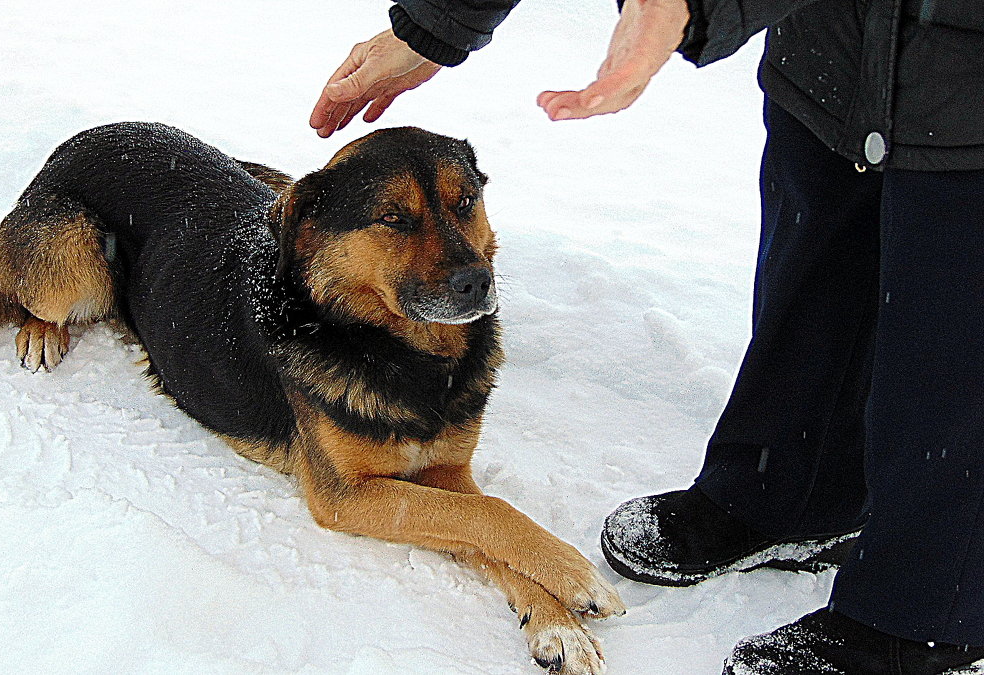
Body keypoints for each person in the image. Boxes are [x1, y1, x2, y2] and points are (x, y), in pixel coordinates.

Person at [308, 1, 984, 673]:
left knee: (951, 324)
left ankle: (931, 611)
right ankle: (794, 487)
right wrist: (438, 23)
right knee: (817, 266)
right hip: (833, 40)